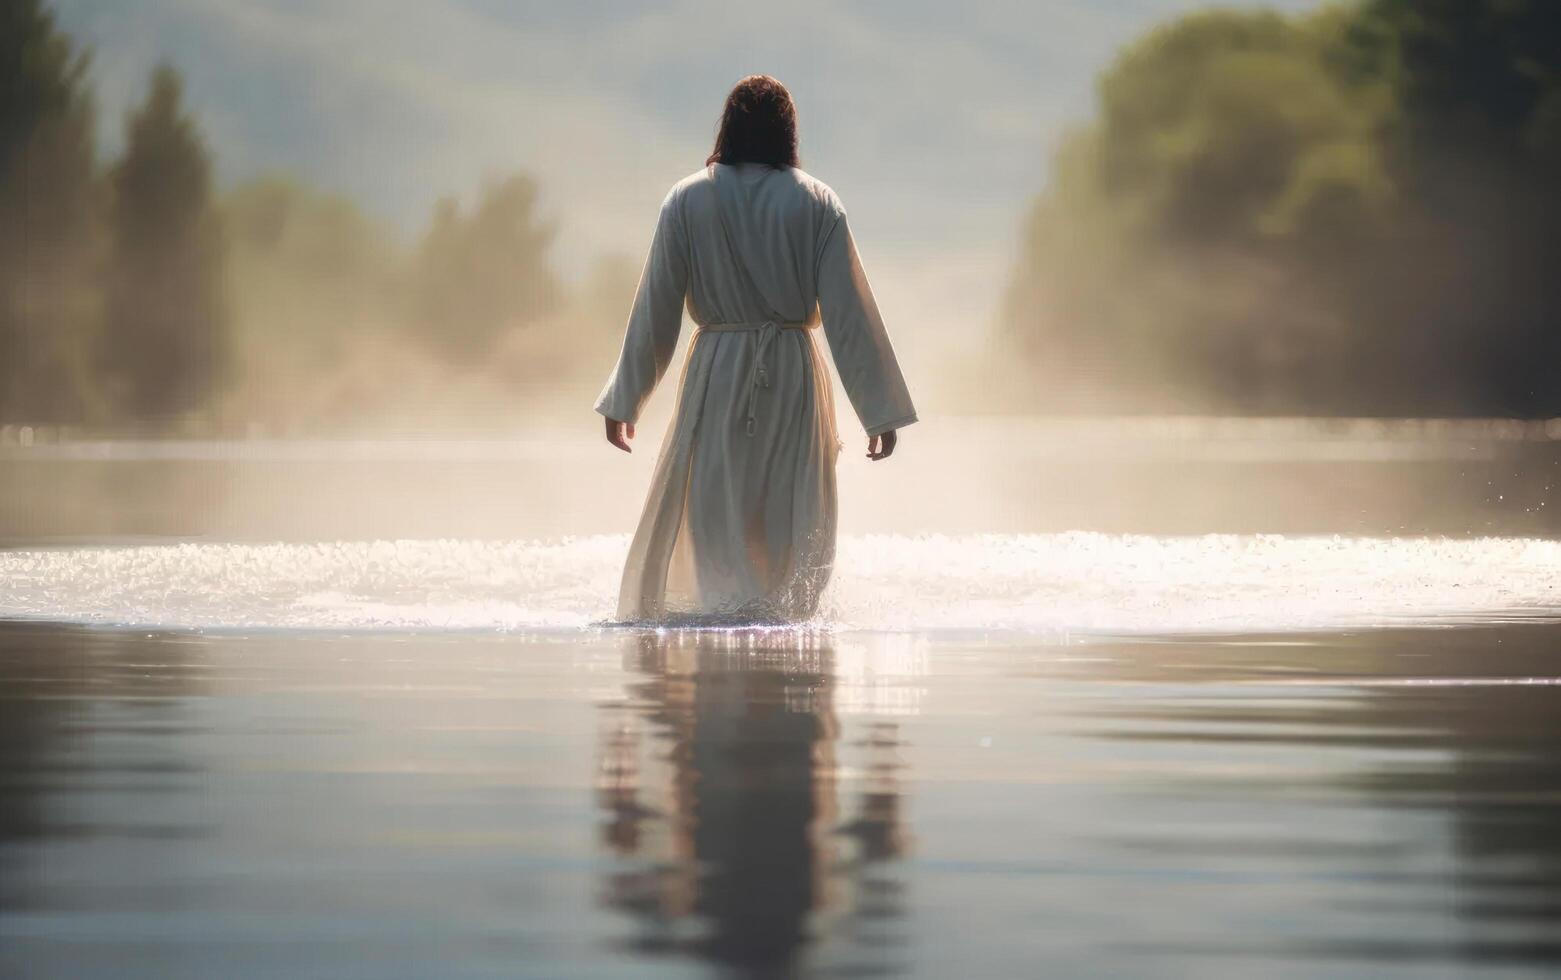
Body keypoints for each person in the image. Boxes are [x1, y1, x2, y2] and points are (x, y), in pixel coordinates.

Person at [595, 74, 916, 623]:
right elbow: (849, 316)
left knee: (715, 509)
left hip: (717, 374)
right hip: (792, 375)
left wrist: (626, 400)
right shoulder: (816, 202)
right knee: (788, 517)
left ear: (729, 127)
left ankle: (725, 657)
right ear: (788, 132)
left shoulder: (687, 199)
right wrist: (878, 411)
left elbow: (656, 308)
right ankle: (775, 650)